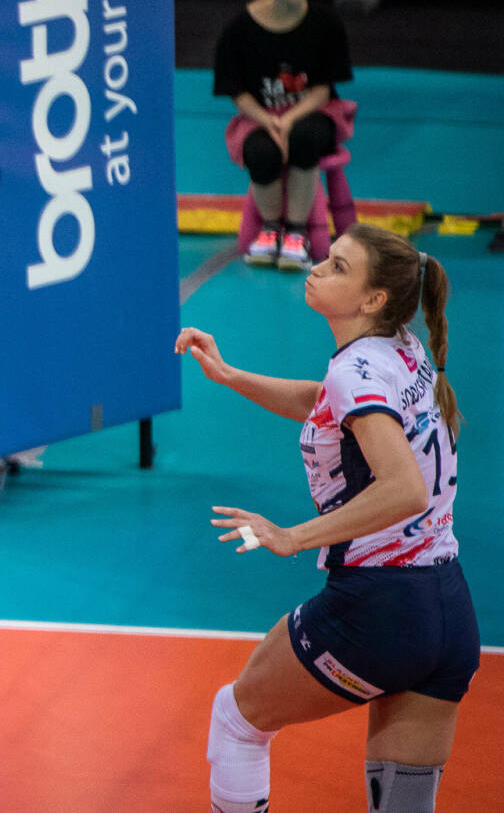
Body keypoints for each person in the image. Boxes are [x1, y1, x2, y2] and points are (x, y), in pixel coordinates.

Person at [176, 223, 478, 813]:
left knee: (237, 719)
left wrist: (291, 536)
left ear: (373, 299)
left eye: (338, 266)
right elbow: (326, 402)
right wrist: (231, 376)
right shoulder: (400, 348)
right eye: (327, 256)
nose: (317, 267)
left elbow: (404, 489)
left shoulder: (355, 371)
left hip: (377, 610)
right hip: (448, 612)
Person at [213, 0, 355, 270]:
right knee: (260, 151)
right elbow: (237, 92)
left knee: (305, 138)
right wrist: (269, 121)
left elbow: (322, 90)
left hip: (315, 111)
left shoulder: (326, 24)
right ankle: (270, 228)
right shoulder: (238, 30)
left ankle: (296, 232)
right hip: (259, 115)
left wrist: (289, 121)